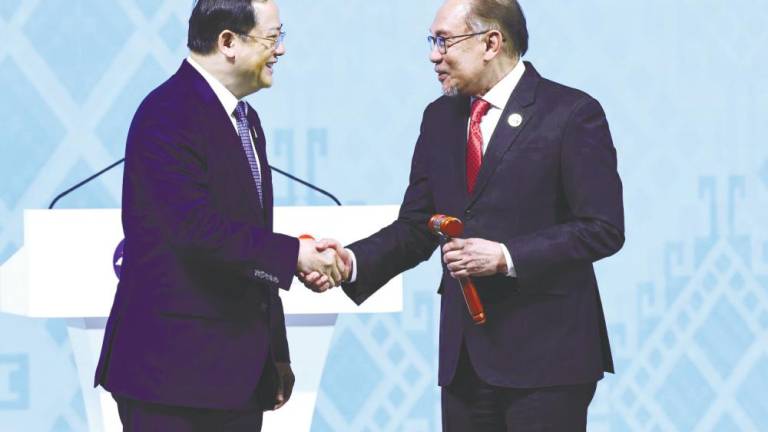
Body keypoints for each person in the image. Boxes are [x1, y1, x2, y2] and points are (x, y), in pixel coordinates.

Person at [302, 0, 624, 429]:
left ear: (491, 42)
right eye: (432, 42)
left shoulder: (571, 113)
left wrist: (506, 256)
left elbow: (602, 229)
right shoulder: (439, 117)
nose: (434, 55)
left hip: (548, 360)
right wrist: (351, 261)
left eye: (444, 41)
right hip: (466, 361)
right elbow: (417, 225)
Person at [94, 0, 344, 430]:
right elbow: (194, 231)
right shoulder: (167, 113)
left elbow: (248, 243)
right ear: (228, 42)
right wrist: (295, 256)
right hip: (171, 381)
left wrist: (276, 354)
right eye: (273, 37)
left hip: (236, 376)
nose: (281, 50)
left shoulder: (247, 121)